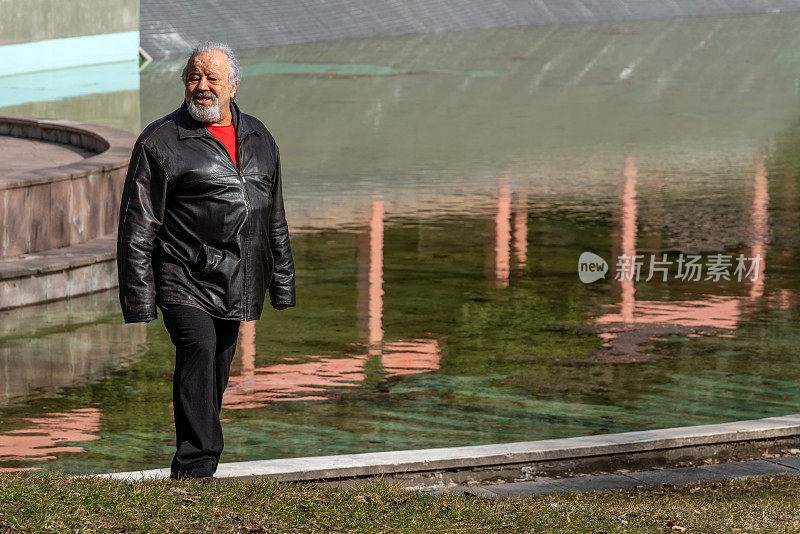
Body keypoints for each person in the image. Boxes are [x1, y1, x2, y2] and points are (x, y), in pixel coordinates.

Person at [116, 41, 295, 481]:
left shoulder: (259, 137)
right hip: (182, 273)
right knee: (198, 347)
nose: (202, 86)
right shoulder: (161, 141)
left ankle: (197, 468)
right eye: (194, 77)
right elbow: (138, 226)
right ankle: (197, 464)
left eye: (212, 78)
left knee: (217, 366)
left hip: (236, 278)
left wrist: (283, 284)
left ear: (233, 85)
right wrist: (141, 299)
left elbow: (273, 217)